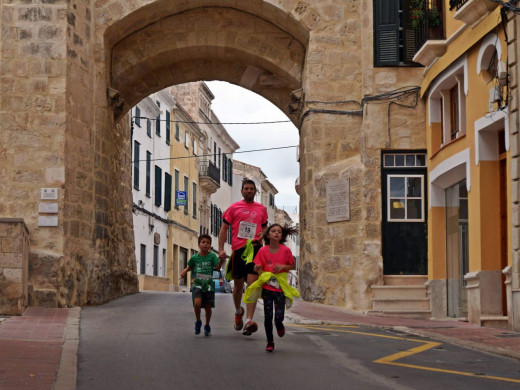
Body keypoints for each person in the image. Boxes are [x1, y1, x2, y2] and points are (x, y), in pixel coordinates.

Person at [218, 179, 268, 336]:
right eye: (246, 188)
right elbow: (224, 228)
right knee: (238, 286)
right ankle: (238, 311)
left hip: (255, 250)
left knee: (252, 286)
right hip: (238, 250)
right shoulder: (234, 208)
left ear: (255, 192)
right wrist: (220, 249)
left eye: (252, 189)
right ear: (241, 191)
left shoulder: (262, 209)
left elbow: (266, 227)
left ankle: (249, 321)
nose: (249, 191)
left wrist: (263, 234)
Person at [243, 224, 299, 352]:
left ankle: (279, 325)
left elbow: (292, 266)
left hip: (280, 288)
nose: (276, 233)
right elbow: (258, 267)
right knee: (268, 316)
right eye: (273, 231)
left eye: (279, 231)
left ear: (281, 236)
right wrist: (257, 269)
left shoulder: (285, 250)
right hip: (268, 288)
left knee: (278, 316)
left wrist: (282, 267)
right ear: (268, 235)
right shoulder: (263, 251)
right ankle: (270, 341)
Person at [180, 234, 223, 337]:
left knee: (208, 307)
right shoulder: (195, 257)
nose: (205, 244)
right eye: (203, 242)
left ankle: (207, 325)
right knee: (197, 304)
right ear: (199, 244)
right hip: (197, 283)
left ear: (210, 245)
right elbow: (190, 266)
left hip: (208, 284)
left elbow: (217, 267)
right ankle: (198, 321)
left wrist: (221, 260)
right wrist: (184, 271)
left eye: (208, 243)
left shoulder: (212, 256)